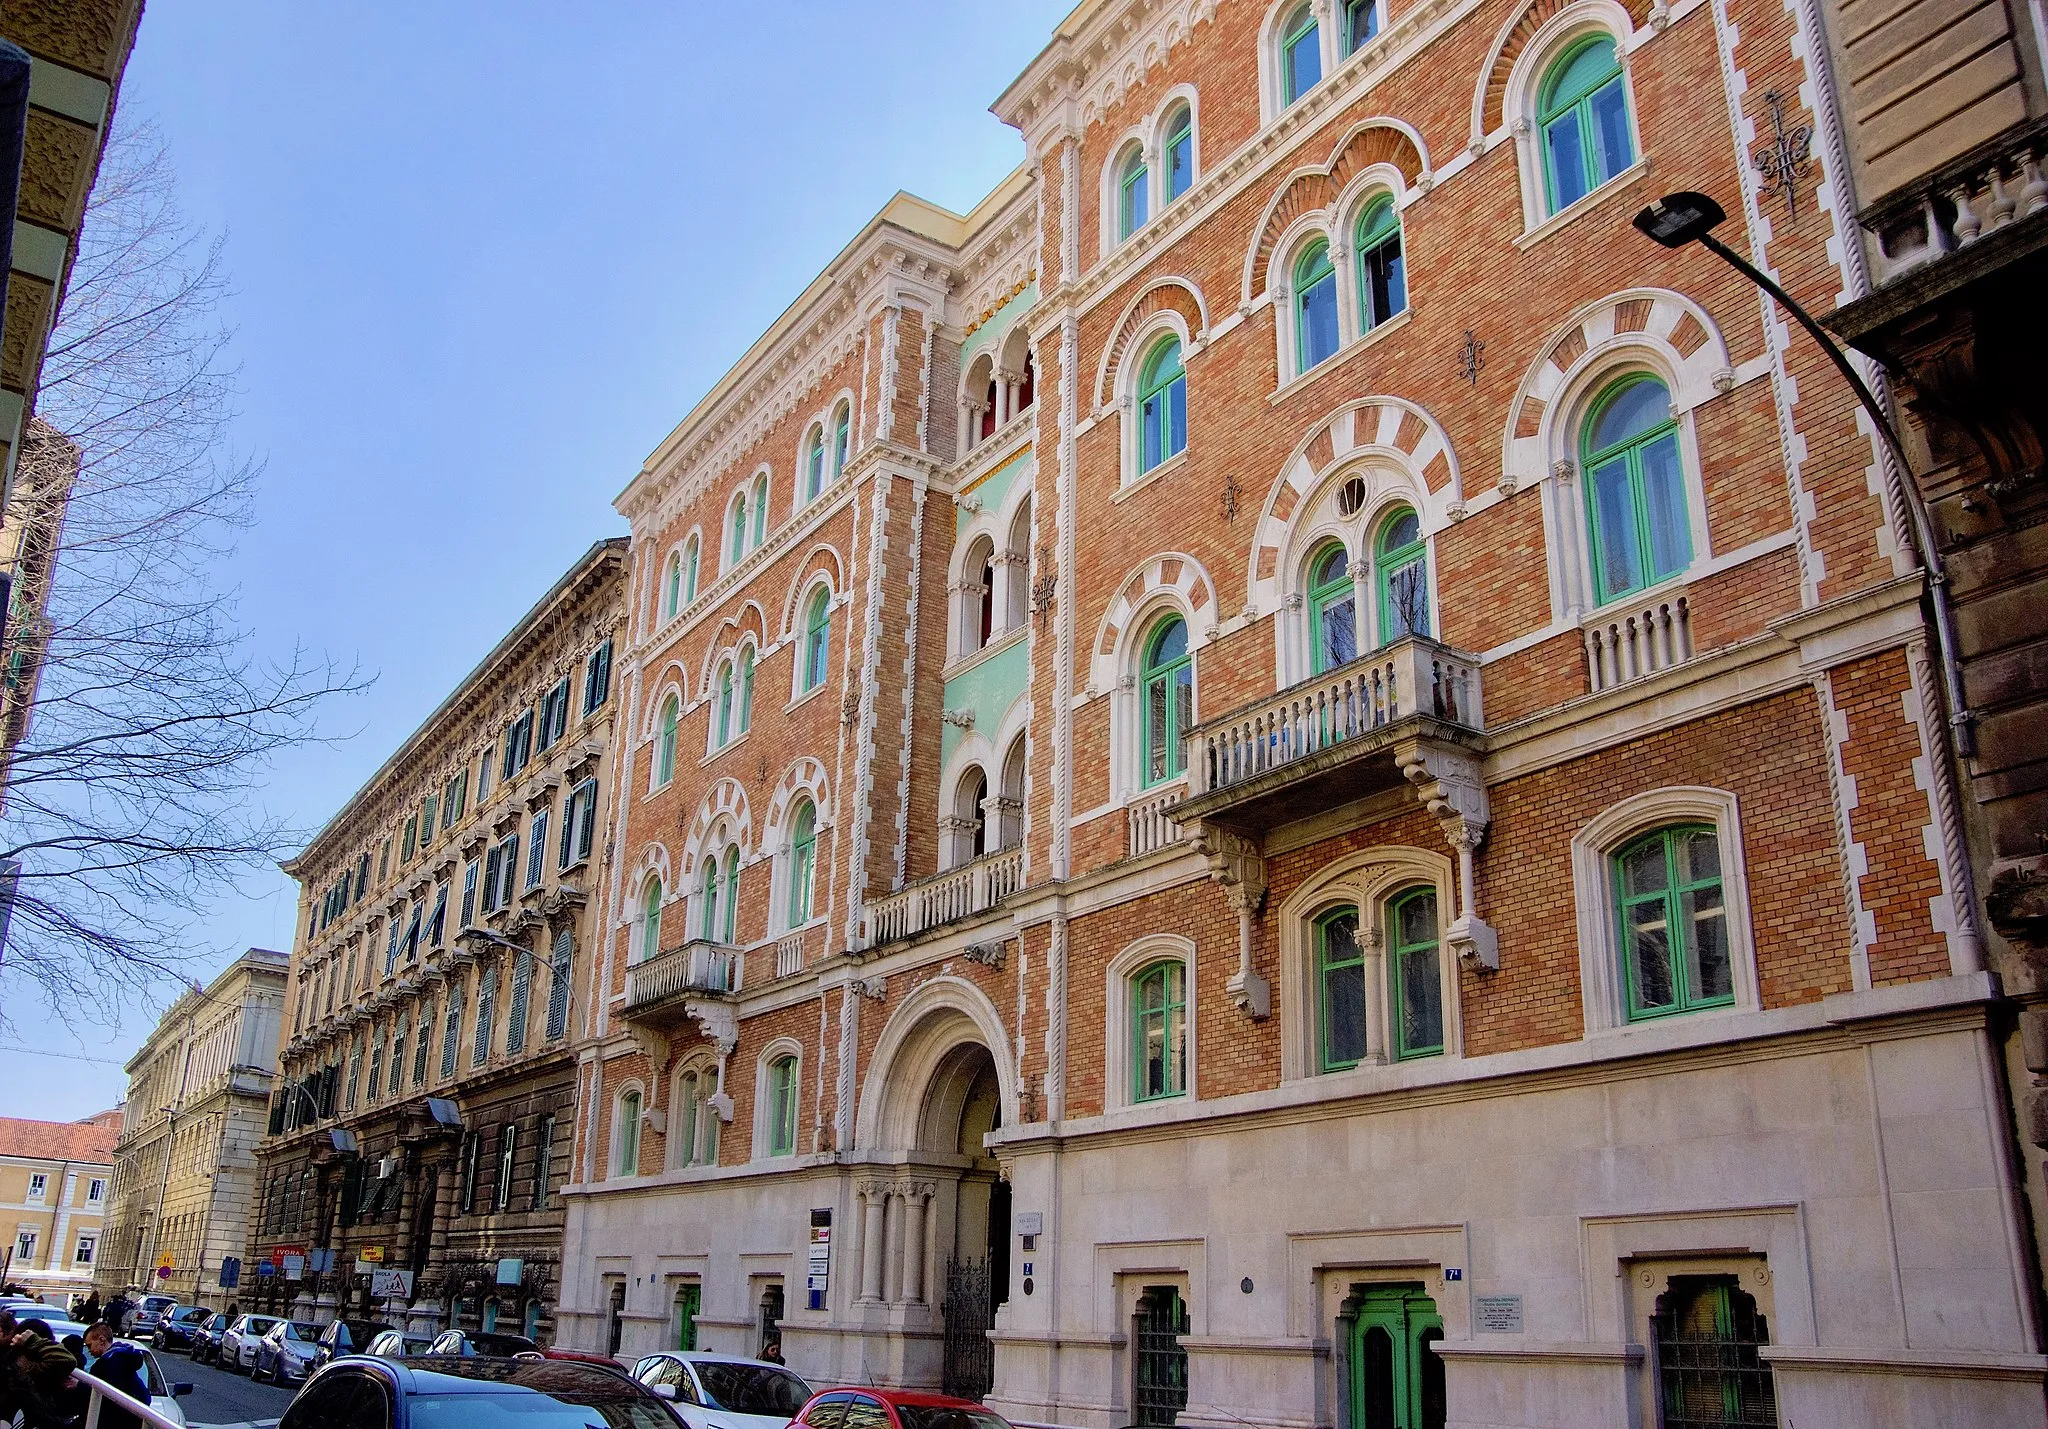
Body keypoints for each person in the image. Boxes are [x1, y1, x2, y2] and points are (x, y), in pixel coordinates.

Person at [76, 1321, 150, 1429]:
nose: (89, 1350)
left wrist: (78, 1386)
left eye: (89, 1345)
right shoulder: (123, 1359)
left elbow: (96, 1393)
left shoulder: (106, 1364)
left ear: (101, 1340)